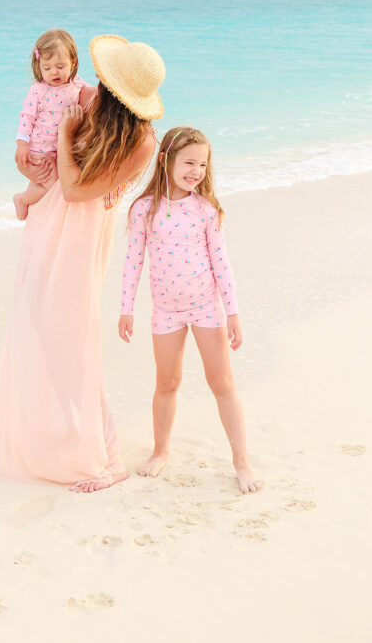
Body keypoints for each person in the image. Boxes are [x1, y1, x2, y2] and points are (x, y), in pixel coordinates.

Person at [0, 34, 165, 493]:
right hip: (49, 221)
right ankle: (61, 431)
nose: (96, 85)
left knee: (73, 338)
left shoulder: (142, 142)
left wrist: (65, 136)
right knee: (39, 326)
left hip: (81, 234)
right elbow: (46, 146)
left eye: (106, 81)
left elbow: (78, 188)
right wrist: (29, 164)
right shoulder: (91, 101)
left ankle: (105, 458)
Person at [118, 126, 263, 494]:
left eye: (202, 164)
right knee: (167, 383)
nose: (196, 171)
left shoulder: (206, 210)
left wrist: (233, 312)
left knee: (222, 383)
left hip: (205, 309)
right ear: (165, 159)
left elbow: (222, 264)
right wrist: (126, 308)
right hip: (165, 310)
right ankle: (160, 450)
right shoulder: (144, 209)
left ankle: (241, 461)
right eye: (189, 162)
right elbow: (133, 260)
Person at [13, 28, 94, 221]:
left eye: (60, 66)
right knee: (53, 188)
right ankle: (22, 200)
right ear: (39, 66)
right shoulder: (38, 90)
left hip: (59, 151)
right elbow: (26, 117)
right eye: (47, 68)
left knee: (43, 184)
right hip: (39, 151)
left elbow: (95, 97)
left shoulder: (78, 84)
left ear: (73, 62)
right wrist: (22, 144)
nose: (54, 72)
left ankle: (36, 213)